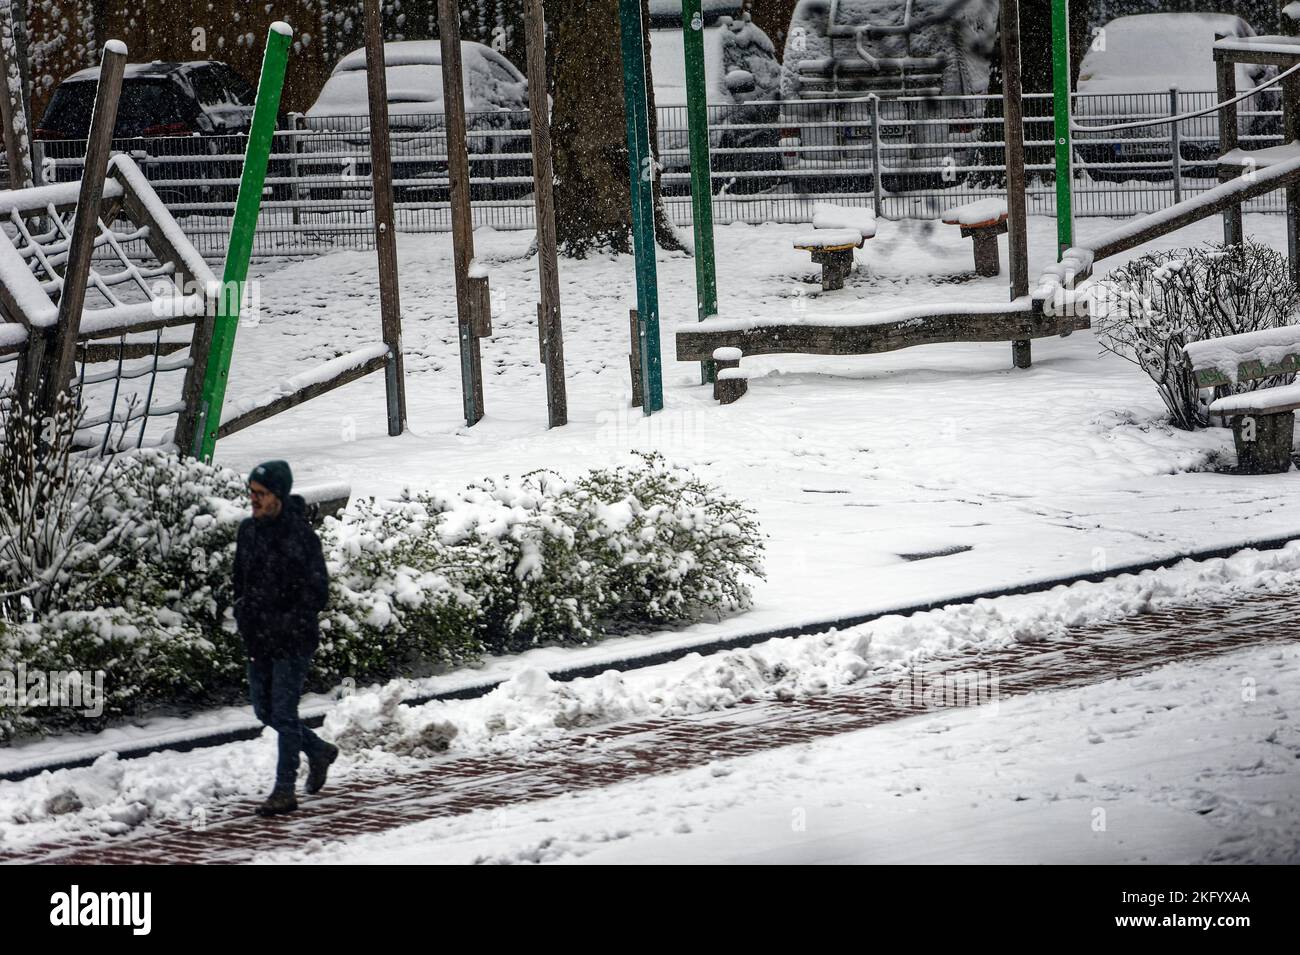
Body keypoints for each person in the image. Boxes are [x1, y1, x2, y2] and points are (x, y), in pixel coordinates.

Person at [232, 459, 339, 816]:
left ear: (278, 495)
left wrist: (287, 618)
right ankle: (319, 750)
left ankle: (284, 789)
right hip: (258, 639)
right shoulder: (248, 531)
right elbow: (240, 581)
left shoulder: (301, 537)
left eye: (261, 494)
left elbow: (318, 591)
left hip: (292, 640)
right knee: (266, 711)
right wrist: (242, 611)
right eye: (251, 493)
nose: (254, 500)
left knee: (284, 711)